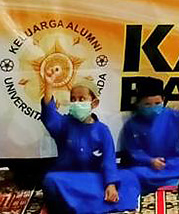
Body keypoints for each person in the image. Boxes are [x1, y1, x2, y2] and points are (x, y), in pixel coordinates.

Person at [41, 81, 141, 214]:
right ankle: (96, 203)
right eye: (73, 99)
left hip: (94, 178)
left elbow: (109, 160)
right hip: (70, 178)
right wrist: (48, 86)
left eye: (81, 99)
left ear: (94, 103)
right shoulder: (64, 124)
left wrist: (110, 184)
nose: (76, 103)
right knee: (50, 180)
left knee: (130, 176)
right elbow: (50, 118)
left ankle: (78, 203)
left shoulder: (102, 130)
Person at [121, 77, 179, 192]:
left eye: (157, 103)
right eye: (147, 104)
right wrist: (150, 161)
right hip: (147, 166)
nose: (153, 107)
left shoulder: (171, 115)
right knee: (133, 173)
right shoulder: (132, 124)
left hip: (171, 162)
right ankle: (175, 183)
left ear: (163, 100)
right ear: (138, 104)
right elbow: (133, 150)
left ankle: (165, 183)